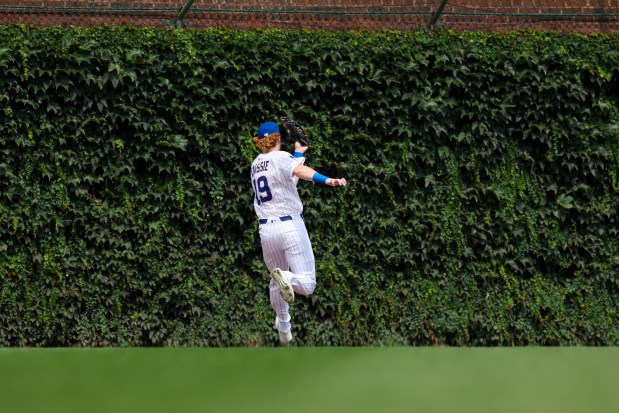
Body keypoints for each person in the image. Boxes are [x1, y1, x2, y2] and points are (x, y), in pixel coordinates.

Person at [250, 121, 347, 345]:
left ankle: (283, 325)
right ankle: (288, 278)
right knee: (307, 283)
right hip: (290, 226)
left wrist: (297, 152)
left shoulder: (256, 164)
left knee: (276, 279)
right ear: (278, 139)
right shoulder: (282, 158)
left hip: (267, 230)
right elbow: (299, 171)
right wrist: (328, 179)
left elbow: (289, 180)